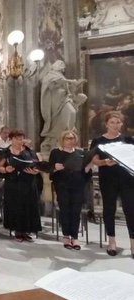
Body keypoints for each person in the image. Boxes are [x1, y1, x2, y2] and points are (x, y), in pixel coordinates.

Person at [90, 112, 134, 258]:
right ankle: (112, 242)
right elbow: (94, 160)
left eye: (118, 122)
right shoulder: (98, 141)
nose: (115, 125)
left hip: (127, 179)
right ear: (106, 124)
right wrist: (104, 163)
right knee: (109, 209)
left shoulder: (128, 140)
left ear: (122, 124)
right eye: (112, 122)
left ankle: (133, 244)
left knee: (131, 210)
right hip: (108, 178)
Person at [49, 130, 93, 250]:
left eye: (72, 138)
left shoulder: (81, 153)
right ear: (62, 140)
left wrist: (89, 167)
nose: (70, 140)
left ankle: (75, 237)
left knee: (76, 210)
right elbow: (50, 171)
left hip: (78, 185)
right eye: (67, 138)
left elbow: (86, 173)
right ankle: (66, 236)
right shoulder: (56, 153)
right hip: (62, 185)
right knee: (65, 210)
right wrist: (55, 168)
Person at [0, 130, 42, 242]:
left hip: (28, 182)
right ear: (11, 139)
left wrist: (35, 171)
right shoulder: (6, 152)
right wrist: (6, 169)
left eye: (21, 139)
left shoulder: (29, 151)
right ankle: (17, 231)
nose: (19, 141)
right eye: (17, 139)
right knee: (15, 206)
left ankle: (26, 231)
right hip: (13, 183)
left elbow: (37, 165)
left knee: (28, 206)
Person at [40, 60, 87, 151]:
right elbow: (53, 84)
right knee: (67, 114)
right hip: (55, 102)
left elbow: (69, 89)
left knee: (71, 112)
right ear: (56, 65)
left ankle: (68, 135)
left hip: (64, 99)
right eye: (61, 65)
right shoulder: (50, 74)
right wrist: (71, 81)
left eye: (64, 65)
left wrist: (76, 84)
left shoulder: (61, 76)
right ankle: (60, 138)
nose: (63, 67)